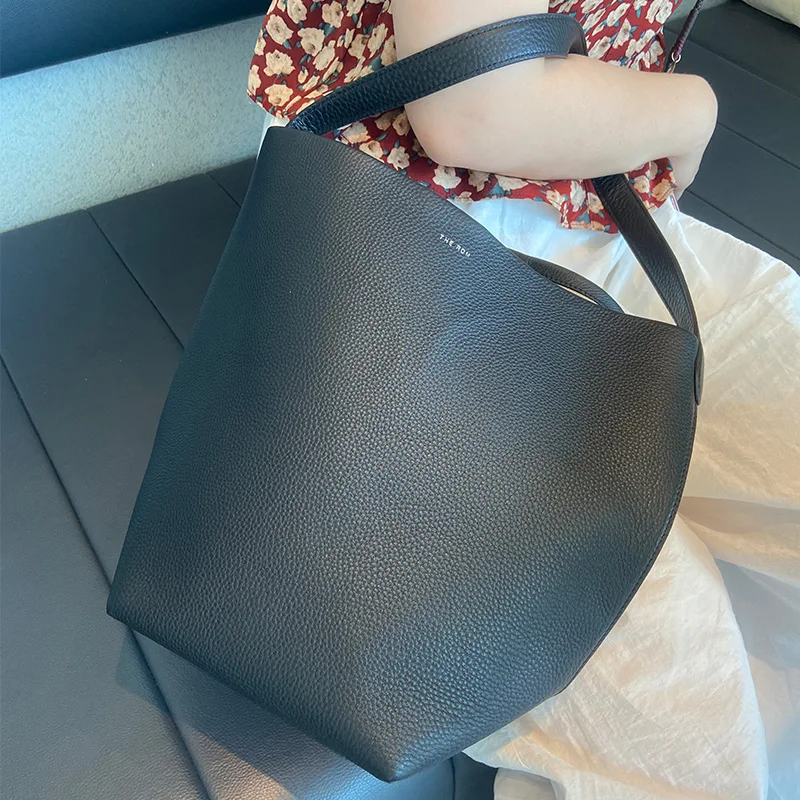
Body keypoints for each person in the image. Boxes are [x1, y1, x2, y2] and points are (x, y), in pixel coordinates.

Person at [249, 3, 800, 798]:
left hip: (604, 206)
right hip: (401, 252)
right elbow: (476, 107)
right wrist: (694, 108)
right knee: (676, 706)